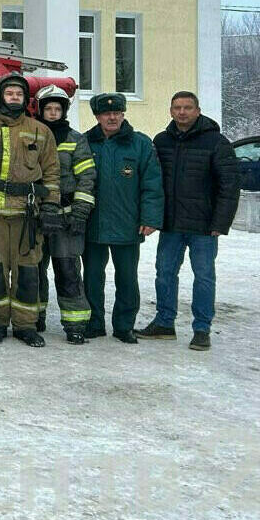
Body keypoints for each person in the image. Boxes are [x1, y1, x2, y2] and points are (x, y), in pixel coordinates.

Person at [140, 91, 239, 351]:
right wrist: (151, 217)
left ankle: (202, 328)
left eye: (187, 107)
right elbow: (151, 182)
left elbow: (229, 186)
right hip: (171, 224)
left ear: (198, 110)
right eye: (177, 108)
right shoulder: (161, 141)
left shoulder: (216, 142)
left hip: (204, 226)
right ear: (171, 111)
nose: (182, 112)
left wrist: (220, 223)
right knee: (164, 274)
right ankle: (164, 322)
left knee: (204, 277)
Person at [0, 73, 61, 346]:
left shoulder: (40, 130)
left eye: (18, 94)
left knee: (27, 273)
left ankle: (25, 325)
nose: (14, 98)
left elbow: (52, 173)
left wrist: (51, 208)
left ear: (26, 99)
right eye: (9, 93)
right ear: (0, 96)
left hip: (28, 215)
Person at [82, 92, 163, 344]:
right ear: (97, 116)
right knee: (93, 277)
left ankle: (124, 325)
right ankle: (94, 323)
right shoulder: (85, 143)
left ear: (123, 114)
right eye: (106, 113)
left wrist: (150, 218)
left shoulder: (140, 144)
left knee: (127, 278)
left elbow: (152, 184)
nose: (112, 117)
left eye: (117, 112)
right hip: (92, 224)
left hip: (127, 224)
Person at [33, 85, 96, 345]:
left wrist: (80, 212)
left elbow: (87, 178)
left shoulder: (75, 139)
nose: (53, 112)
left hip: (66, 218)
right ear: (40, 110)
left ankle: (75, 324)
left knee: (68, 270)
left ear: (64, 110)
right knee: (33, 271)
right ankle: (33, 318)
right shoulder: (30, 135)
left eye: (57, 108)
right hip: (35, 216)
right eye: (48, 108)